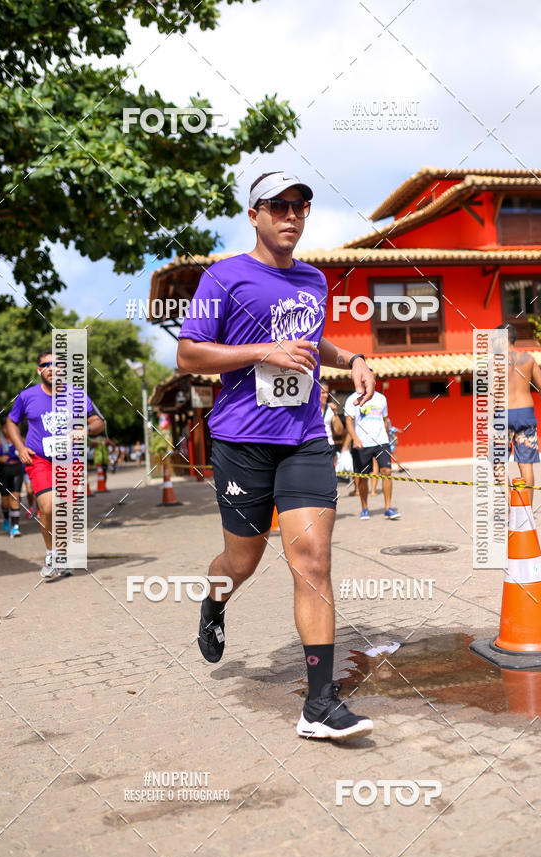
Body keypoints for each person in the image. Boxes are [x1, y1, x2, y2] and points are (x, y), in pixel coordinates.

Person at [177, 170, 376, 741]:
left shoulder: (314, 280)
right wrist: (264, 349)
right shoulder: (225, 277)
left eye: (301, 206)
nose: (292, 215)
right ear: (254, 215)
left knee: (313, 560)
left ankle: (318, 705)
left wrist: (352, 358)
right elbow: (190, 354)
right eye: (279, 205)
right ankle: (213, 605)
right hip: (241, 442)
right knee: (241, 563)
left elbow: (315, 342)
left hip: (305, 438)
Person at [6, 350, 105, 578]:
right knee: (48, 507)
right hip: (39, 458)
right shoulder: (26, 396)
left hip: (70, 460)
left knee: (65, 510)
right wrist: (20, 448)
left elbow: (99, 421)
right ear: (39, 370)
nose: (51, 368)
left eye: (56, 364)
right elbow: (11, 423)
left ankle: (62, 553)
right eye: (46, 364)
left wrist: (86, 430)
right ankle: (51, 554)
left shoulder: (78, 395)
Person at [497, 322, 541, 495]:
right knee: (526, 464)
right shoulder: (528, 359)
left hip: (502, 414)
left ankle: (509, 510)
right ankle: (525, 512)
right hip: (524, 414)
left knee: (499, 463)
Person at [344, 389, 400, 521]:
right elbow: (348, 422)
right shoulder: (352, 399)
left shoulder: (381, 398)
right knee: (363, 477)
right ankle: (364, 508)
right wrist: (355, 438)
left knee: (386, 471)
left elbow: (385, 420)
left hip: (381, 442)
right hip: (362, 443)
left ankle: (388, 508)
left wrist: (387, 438)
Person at [0, 421, 25, 536]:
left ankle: (15, 527)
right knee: (5, 501)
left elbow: (27, 452)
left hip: (17, 470)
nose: (9, 430)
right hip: (2, 472)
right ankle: (6, 517)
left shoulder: (19, 440)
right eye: (6, 428)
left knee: (15, 498)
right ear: (3, 429)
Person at [320, 381, 344, 447]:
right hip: (314, 446)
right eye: (323, 393)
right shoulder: (310, 409)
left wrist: (335, 414)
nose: (326, 395)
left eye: (327, 393)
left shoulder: (330, 409)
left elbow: (339, 432)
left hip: (329, 444)